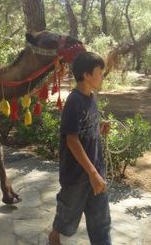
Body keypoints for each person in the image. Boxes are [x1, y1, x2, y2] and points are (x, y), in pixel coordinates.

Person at [49, 51, 111, 245]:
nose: (102, 76)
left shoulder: (91, 97)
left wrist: (99, 128)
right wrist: (92, 174)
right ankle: (54, 238)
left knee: (101, 223)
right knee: (66, 220)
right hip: (76, 176)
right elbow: (72, 141)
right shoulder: (73, 102)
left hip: (95, 170)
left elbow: (85, 130)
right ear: (86, 75)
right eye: (99, 72)